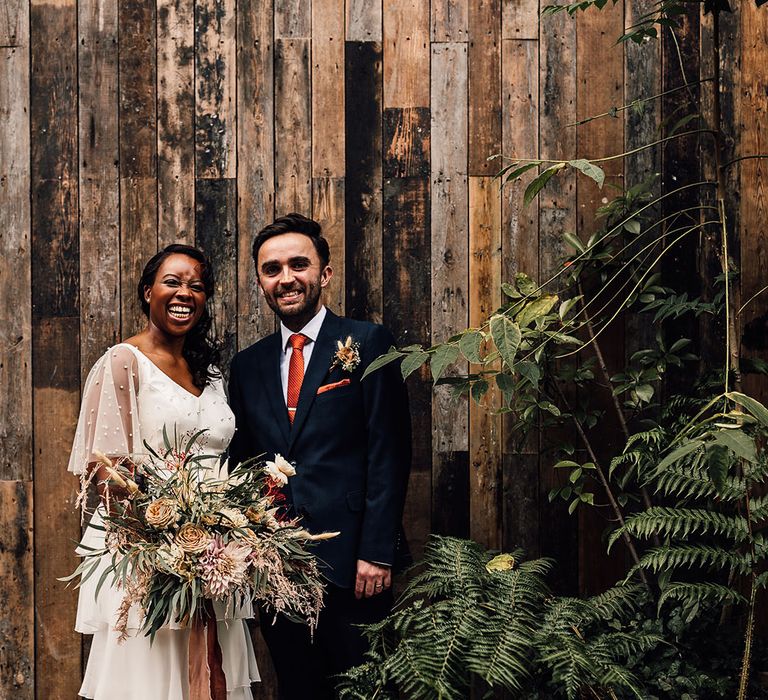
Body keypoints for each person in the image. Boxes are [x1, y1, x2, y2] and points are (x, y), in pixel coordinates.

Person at [228, 213, 412, 699]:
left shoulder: (367, 341)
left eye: (297, 264)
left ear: (323, 274)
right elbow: (243, 462)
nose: (285, 278)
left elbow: (389, 452)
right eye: (271, 269)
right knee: (299, 687)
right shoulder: (246, 365)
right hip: (277, 569)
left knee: (366, 688)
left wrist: (376, 552)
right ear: (261, 281)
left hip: (355, 566)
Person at [68, 244, 260, 700]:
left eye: (196, 286)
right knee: (150, 678)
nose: (184, 293)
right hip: (146, 552)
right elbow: (107, 475)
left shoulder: (210, 372)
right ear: (148, 291)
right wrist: (167, 539)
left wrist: (221, 535)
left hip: (216, 553)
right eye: (172, 282)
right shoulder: (122, 361)